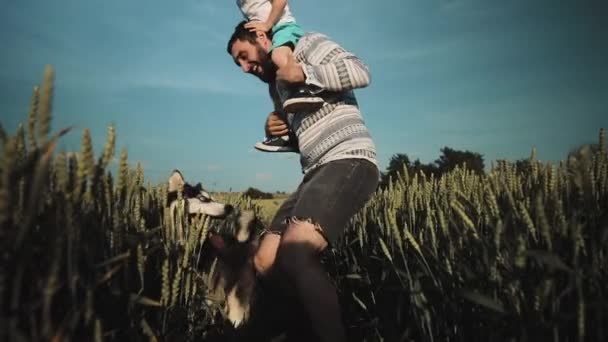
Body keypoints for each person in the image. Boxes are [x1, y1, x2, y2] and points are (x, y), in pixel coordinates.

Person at [226, 20, 380, 342]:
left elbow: (360, 71)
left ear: (260, 36)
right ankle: (312, 325)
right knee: (265, 259)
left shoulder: (308, 45)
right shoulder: (275, 87)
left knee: (297, 253)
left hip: (348, 158)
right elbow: (306, 134)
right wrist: (277, 128)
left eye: (243, 55)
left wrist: (306, 73)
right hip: (314, 171)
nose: (243, 68)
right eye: (237, 63)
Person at [236, 0, 323, 153]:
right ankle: (287, 136)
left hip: (283, 27)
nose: (244, 68)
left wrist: (268, 24)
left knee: (279, 56)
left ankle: (302, 90)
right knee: (275, 88)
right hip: (271, 32)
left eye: (244, 57)